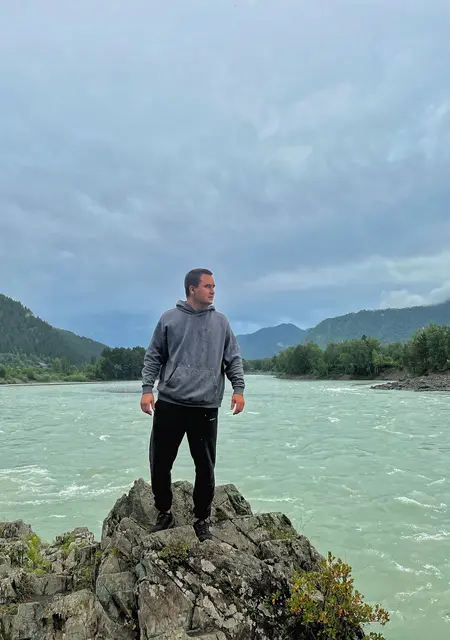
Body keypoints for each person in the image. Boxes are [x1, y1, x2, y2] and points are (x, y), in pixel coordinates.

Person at [140, 268, 245, 541]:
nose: (213, 291)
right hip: (170, 403)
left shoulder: (221, 322)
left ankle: (201, 519)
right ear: (192, 289)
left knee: (205, 466)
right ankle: (164, 512)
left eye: (214, 287)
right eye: (208, 286)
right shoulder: (169, 319)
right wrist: (147, 389)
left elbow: (233, 358)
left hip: (205, 406)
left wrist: (238, 389)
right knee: (160, 462)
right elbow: (154, 356)